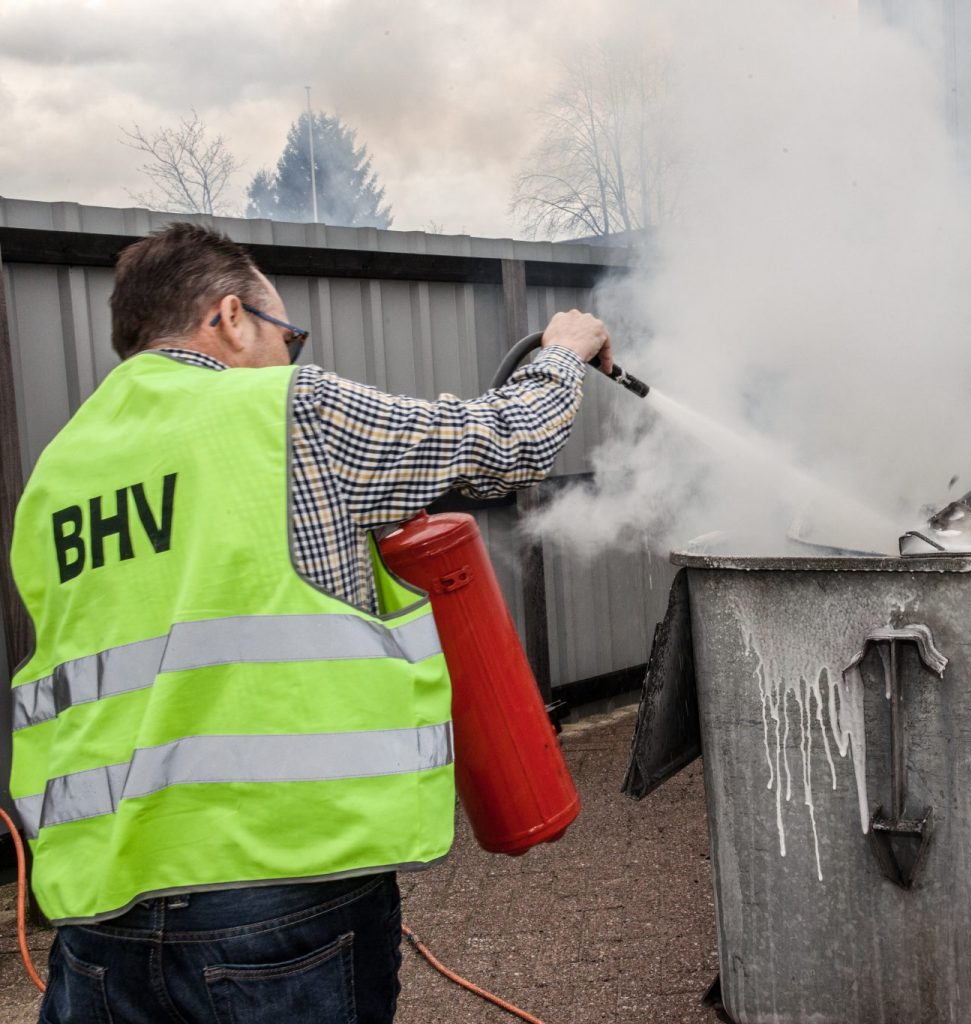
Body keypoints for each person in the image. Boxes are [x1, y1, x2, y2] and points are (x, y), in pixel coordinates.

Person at [7, 222, 611, 1023]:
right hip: (277, 903)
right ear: (229, 317)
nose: (289, 356)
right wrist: (563, 352)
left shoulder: (58, 471)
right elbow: (508, 440)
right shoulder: (290, 410)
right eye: (286, 336)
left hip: (99, 914)